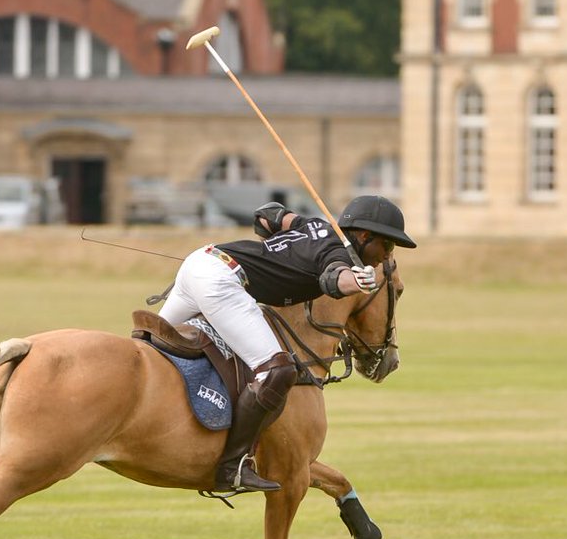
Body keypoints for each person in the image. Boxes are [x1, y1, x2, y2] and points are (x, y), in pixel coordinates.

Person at [158, 194, 416, 493]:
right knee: (277, 370)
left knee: (154, 348)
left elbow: (267, 215)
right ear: (363, 235)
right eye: (386, 245)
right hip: (220, 281)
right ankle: (233, 465)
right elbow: (334, 279)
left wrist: (278, 226)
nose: (386, 256)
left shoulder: (315, 226)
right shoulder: (340, 253)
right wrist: (357, 281)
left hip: (200, 261)